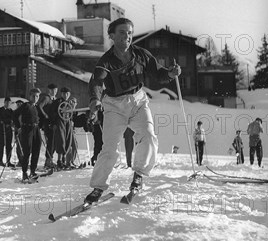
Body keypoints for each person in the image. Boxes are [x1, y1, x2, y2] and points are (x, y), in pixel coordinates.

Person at [84, 17, 181, 203]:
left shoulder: (141, 55)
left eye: (129, 33)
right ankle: (98, 187)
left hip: (138, 101)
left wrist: (169, 73)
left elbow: (157, 72)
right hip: (114, 105)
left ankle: (139, 175)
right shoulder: (106, 61)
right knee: (109, 148)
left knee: (149, 135)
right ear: (112, 35)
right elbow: (96, 81)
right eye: (122, 32)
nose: (127, 37)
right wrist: (95, 99)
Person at [13, 88, 42, 182]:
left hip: (36, 129)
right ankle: (24, 173)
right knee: (27, 151)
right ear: (29, 96)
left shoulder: (36, 107)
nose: (35, 98)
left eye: (37, 96)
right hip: (27, 130)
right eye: (33, 96)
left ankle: (32, 171)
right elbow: (15, 115)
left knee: (36, 150)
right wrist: (18, 127)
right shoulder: (25, 105)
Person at [49, 87, 73, 170]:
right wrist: (54, 123)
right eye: (63, 94)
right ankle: (59, 160)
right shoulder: (57, 102)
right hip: (59, 122)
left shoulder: (70, 103)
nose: (65, 95)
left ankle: (65, 159)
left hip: (68, 122)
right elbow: (52, 113)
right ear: (61, 94)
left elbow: (71, 113)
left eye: (67, 94)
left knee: (67, 140)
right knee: (61, 140)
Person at [36, 83, 58, 169]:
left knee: (54, 142)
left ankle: (50, 159)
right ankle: (48, 160)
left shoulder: (54, 99)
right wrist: (45, 115)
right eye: (52, 90)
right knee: (50, 142)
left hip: (54, 123)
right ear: (49, 90)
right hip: (47, 123)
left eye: (55, 90)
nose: (54, 92)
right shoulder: (46, 98)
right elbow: (39, 106)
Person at [0, 97, 15, 167]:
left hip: (9, 130)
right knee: (1, 145)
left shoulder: (11, 111)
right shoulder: (1, 110)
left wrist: (10, 122)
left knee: (9, 146)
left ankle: (8, 161)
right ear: (4, 102)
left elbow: (12, 119)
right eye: (6, 102)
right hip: (2, 130)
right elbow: (1, 119)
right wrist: (7, 121)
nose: (7, 104)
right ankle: (1, 161)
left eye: (9, 103)